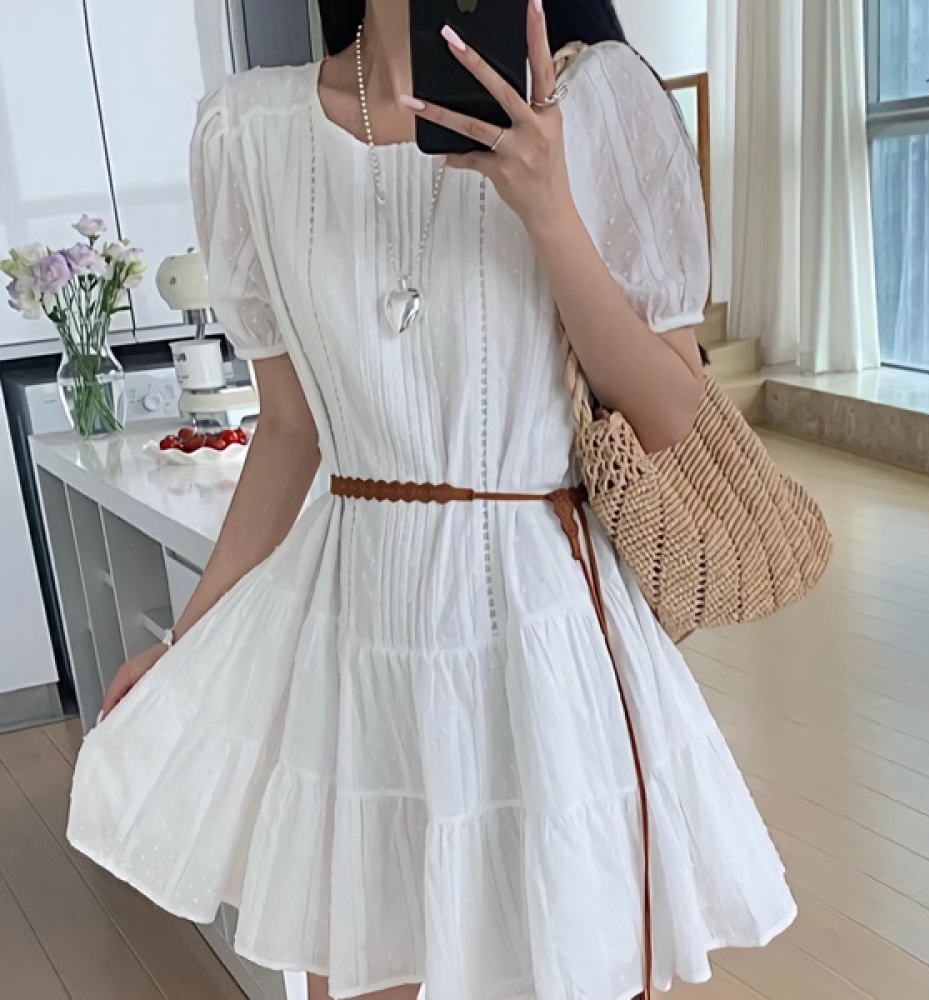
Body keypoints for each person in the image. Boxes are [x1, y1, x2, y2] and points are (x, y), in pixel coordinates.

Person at [67, 2, 796, 998]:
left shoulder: (595, 100)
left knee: (564, 961)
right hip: (354, 636)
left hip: (542, 635)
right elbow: (289, 431)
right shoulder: (247, 132)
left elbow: (671, 408)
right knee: (367, 960)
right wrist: (188, 643)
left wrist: (549, 208)